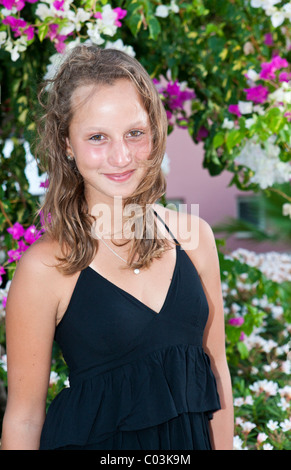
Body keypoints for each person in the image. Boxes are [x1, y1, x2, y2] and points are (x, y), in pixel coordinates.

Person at [1, 45, 233, 450]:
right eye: (97, 137)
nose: (121, 155)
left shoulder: (195, 239)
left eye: (135, 133)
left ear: (155, 131)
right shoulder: (45, 268)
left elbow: (216, 372)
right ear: (67, 145)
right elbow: (23, 419)